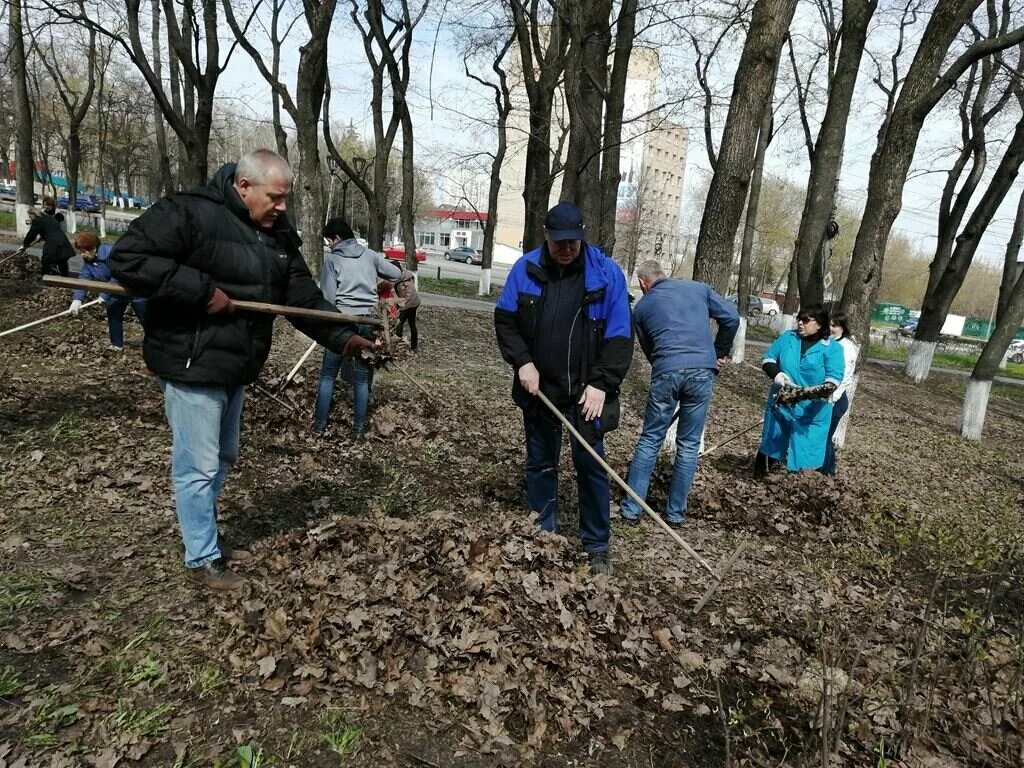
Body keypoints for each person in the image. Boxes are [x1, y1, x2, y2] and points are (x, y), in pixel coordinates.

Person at [109, 149, 370, 591]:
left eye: (285, 198)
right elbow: (129, 258)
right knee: (198, 465)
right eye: (275, 197)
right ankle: (201, 558)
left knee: (222, 456)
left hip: (238, 364)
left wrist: (345, 337)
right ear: (244, 186)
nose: (282, 206)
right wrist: (200, 291)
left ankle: (205, 538)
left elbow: (301, 298)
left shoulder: (278, 234)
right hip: (193, 361)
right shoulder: (189, 212)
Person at [494, 201, 633, 576]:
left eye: (573, 241)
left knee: (591, 466)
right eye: (559, 242)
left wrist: (601, 383)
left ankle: (597, 545)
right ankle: (542, 534)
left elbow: (621, 335)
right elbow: (505, 320)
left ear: (582, 236)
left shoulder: (606, 274)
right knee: (541, 463)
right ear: (546, 236)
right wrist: (523, 362)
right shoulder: (526, 269)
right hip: (540, 389)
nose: (566, 249)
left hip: (587, 393)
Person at [619, 260, 740, 528]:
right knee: (688, 444)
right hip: (702, 372)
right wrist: (718, 352)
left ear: (643, 283)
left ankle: (632, 509)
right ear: (663, 275)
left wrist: (666, 367)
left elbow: (649, 349)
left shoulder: (642, 307)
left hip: (667, 370)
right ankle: (675, 514)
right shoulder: (699, 289)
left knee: (650, 439)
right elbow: (731, 318)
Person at [313, 217, 401, 437]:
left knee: (328, 375)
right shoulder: (370, 255)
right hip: (369, 321)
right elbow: (396, 274)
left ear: (337, 238)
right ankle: (359, 428)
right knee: (361, 378)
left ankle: (320, 426)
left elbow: (328, 299)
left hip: (342, 322)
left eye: (329, 241)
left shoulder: (332, 261)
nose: (329, 245)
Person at [754, 304, 845, 477]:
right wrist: (776, 374)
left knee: (806, 456)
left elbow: (832, 383)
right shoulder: (788, 338)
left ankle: (800, 486)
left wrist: (797, 394)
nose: (800, 323)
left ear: (819, 324)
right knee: (771, 445)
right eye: (799, 319)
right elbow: (768, 359)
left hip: (812, 411)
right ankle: (758, 479)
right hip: (781, 405)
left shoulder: (833, 349)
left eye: (805, 320)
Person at [68, 231, 148, 351]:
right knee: (114, 316)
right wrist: (77, 299)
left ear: (94, 248)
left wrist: (105, 294)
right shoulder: (89, 259)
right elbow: (84, 278)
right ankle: (117, 345)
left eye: (84, 251)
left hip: (135, 290)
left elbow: (119, 275)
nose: (82, 255)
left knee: (146, 318)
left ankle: (159, 343)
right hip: (114, 292)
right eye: (81, 251)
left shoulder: (113, 254)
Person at [822, 311, 859, 476]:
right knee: (822, 435)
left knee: (825, 436)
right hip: (826, 395)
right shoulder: (829, 342)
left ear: (842, 327)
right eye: (828, 324)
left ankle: (828, 471)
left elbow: (845, 377)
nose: (830, 328)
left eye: (834, 325)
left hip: (835, 399)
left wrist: (832, 398)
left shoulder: (847, 347)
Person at [24, 200, 73, 277]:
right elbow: (50, 229)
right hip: (63, 241)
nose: (30, 218)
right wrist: (43, 236)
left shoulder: (37, 220)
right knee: (62, 260)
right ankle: (65, 278)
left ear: (34, 214)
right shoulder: (49, 218)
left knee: (46, 261)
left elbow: (31, 234)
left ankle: (45, 278)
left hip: (53, 243)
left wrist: (25, 244)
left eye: (30, 216)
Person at [394, 269, 421, 351]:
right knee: (412, 324)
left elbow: (402, 298)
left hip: (407, 303)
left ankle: (397, 344)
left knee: (399, 323)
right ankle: (414, 346)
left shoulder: (400, 283)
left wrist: (399, 307)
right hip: (415, 302)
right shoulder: (408, 276)